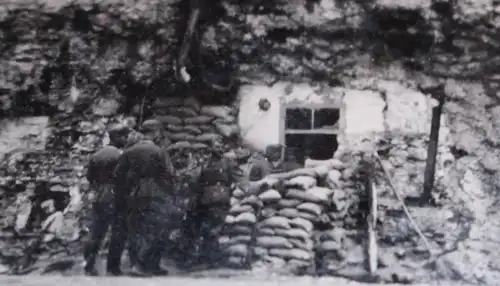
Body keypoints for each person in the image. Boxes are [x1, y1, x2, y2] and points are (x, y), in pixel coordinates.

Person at [107, 119, 176, 277]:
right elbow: (170, 174)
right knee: (156, 229)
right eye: (158, 131)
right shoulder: (159, 151)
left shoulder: (128, 152)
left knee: (136, 230)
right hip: (156, 194)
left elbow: (118, 176)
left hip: (135, 194)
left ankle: (140, 265)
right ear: (154, 132)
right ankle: (147, 265)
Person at [83, 123, 131, 276]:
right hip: (117, 196)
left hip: (100, 196)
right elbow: (126, 178)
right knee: (118, 232)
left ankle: (89, 266)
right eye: (124, 136)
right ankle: (113, 267)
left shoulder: (96, 155)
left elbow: (90, 177)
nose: (126, 139)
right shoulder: (122, 156)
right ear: (116, 137)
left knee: (96, 233)